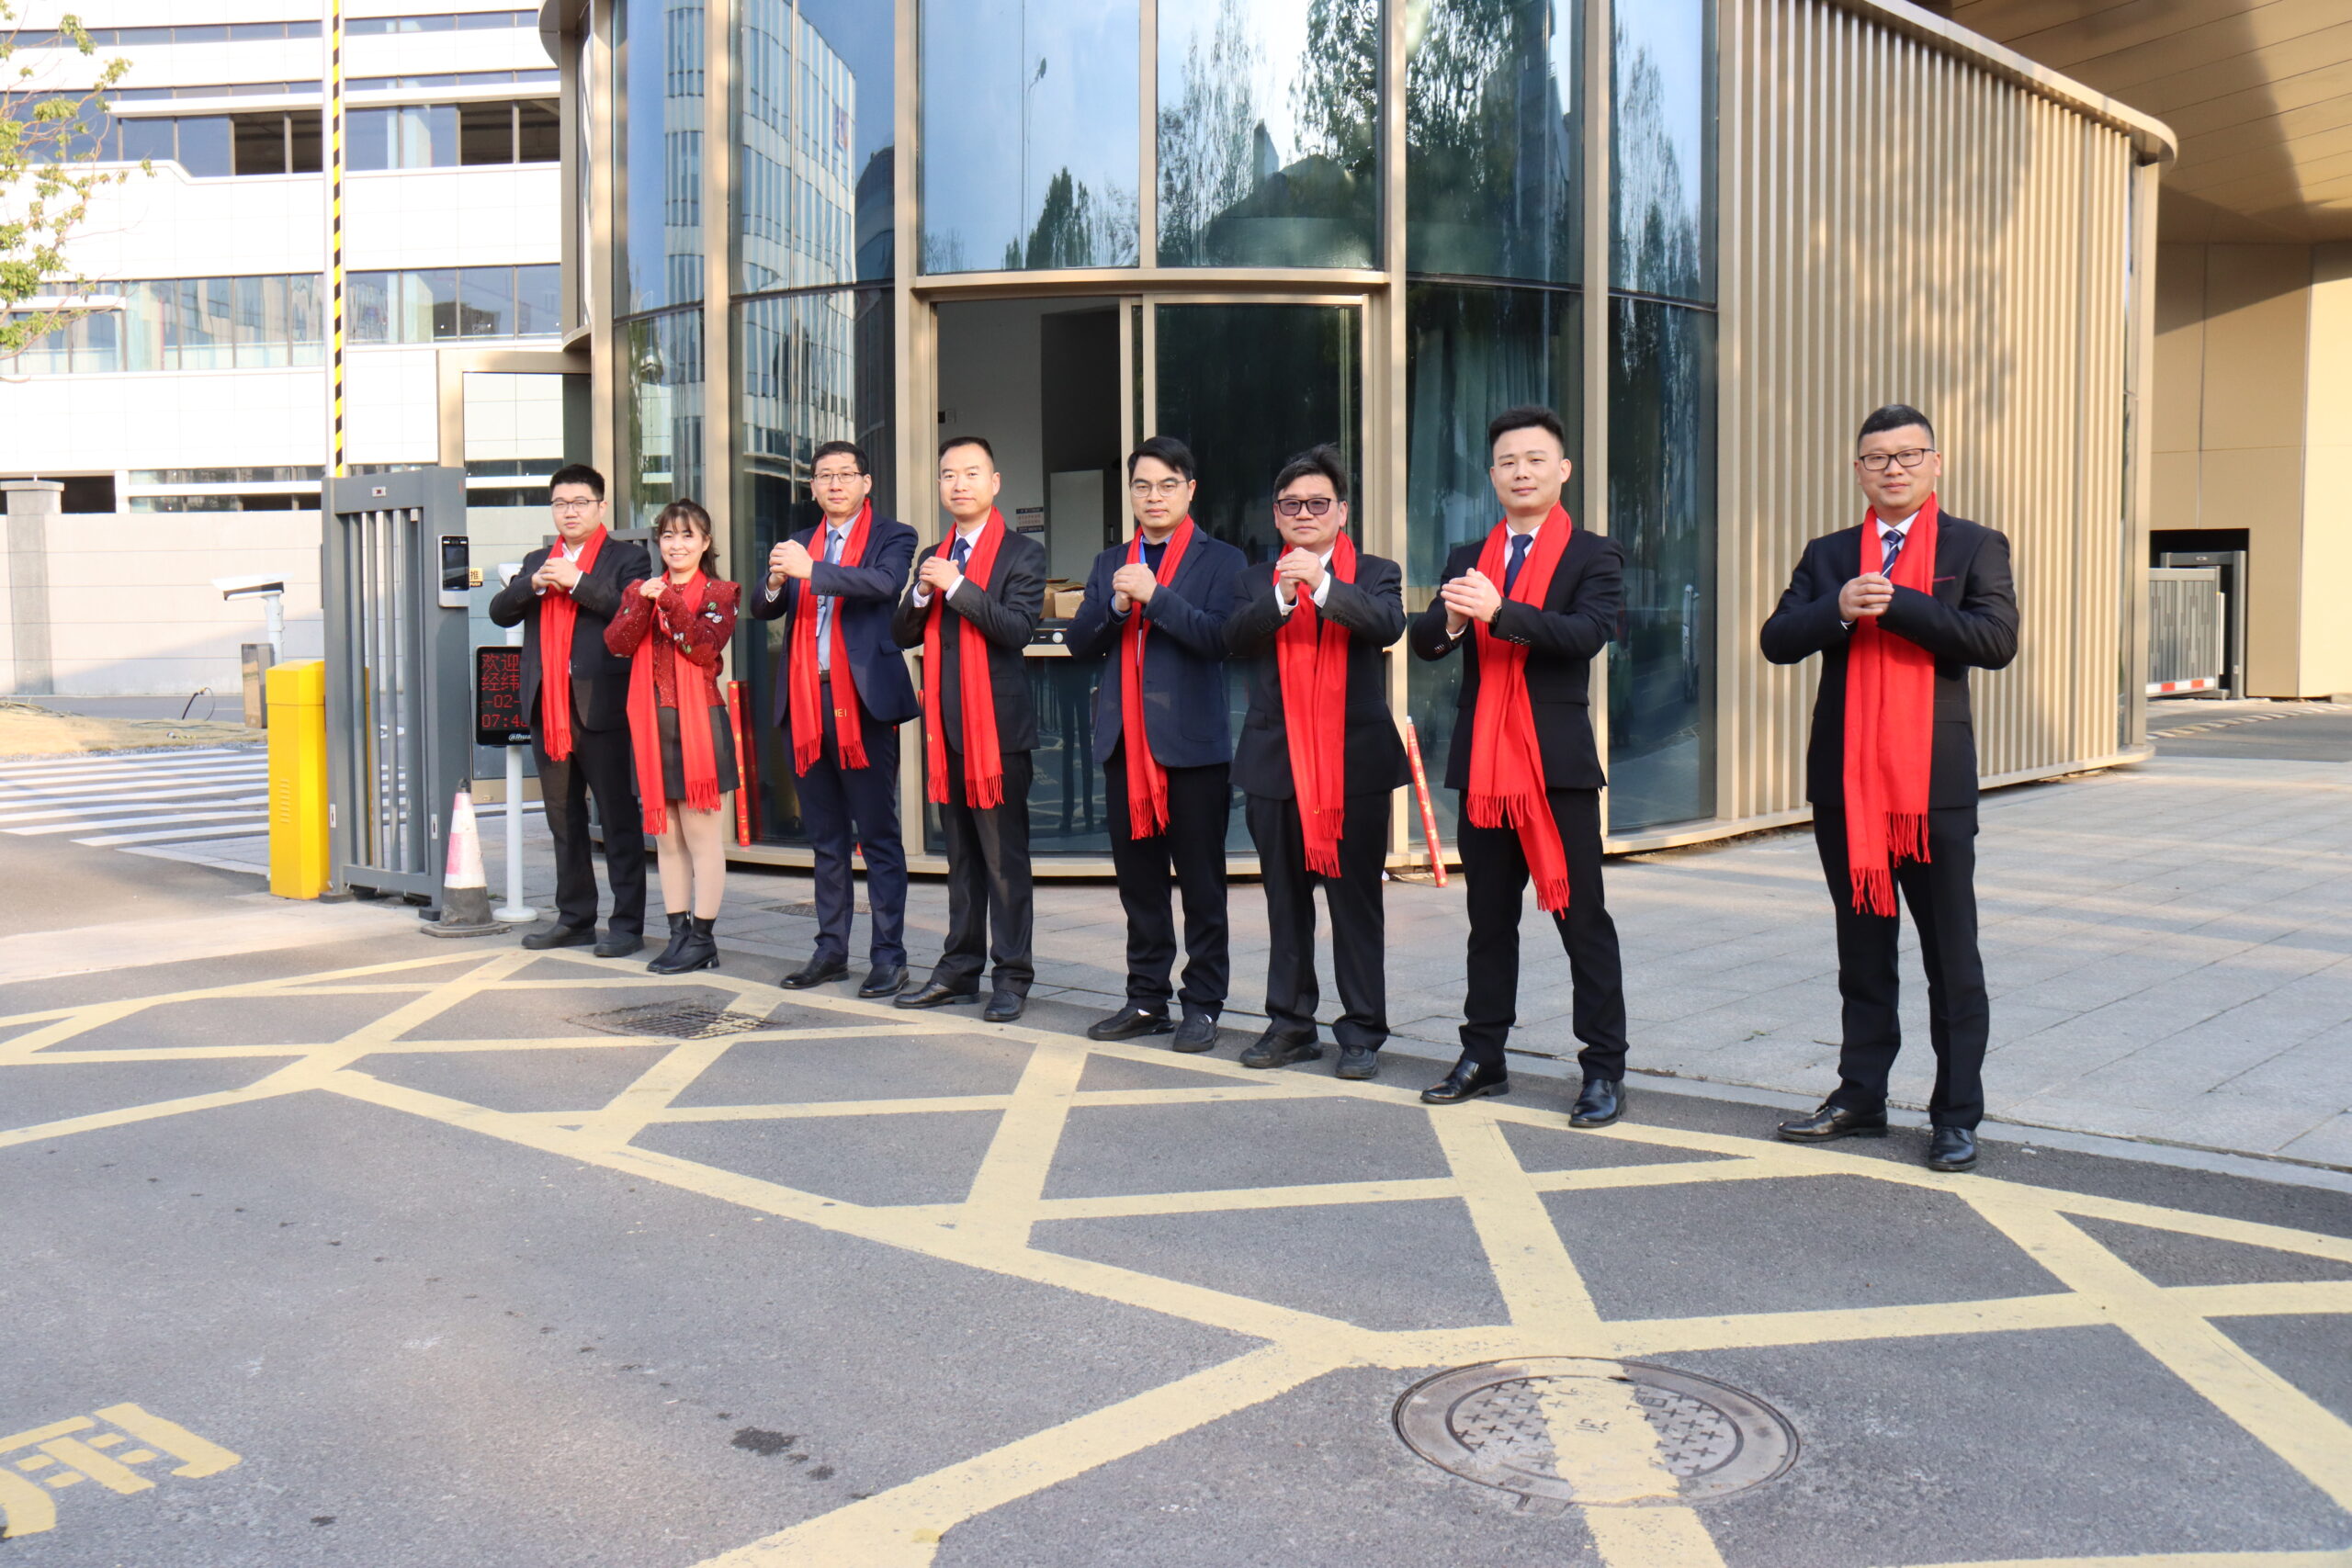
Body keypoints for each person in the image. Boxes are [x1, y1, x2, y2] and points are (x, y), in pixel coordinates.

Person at [1759, 404, 2018, 1173]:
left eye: (1909, 455)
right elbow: (1777, 639)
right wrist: (1837, 610)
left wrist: (1903, 604)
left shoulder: (1975, 545)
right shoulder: (1830, 554)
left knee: (1951, 955)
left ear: (1936, 462)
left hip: (1932, 787)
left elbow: (1995, 640)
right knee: (1863, 951)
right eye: (1878, 457)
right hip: (1848, 786)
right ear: (1858, 471)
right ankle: (1860, 1097)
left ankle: (1956, 1115)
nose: (1894, 468)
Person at [1408, 405, 1631, 1127]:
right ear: (1492, 474)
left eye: (1535, 459)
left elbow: (1585, 634)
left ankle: (1603, 1067)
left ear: (1562, 470)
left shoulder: (1594, 554)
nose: (1521, 471)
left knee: (1582, 919)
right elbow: (1427, 644)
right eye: (1507, 461)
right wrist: (1451, 619)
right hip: (1484, 765)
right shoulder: (1468, 554)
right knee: (1488, 920)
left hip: (1556, 766)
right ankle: (1484, 1056)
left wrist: (1500, 612)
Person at [1224, 446, 1408, 1079]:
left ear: (1342, 512)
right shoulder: (1254, 579)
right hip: (1274, 764)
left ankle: (1361, 1030)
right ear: (1276, 515)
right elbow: (1230, 638)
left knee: (1355, 904)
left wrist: (1323, 587)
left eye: (1318, 503)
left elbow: (1386, 626)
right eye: (1291, 504)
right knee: (1285, 902)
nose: (1304, 513)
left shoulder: (1377, 572)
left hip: (1354, 768)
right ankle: (1290, 1024)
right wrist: (1280, 597)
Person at [1066, 435, 1245, 1052]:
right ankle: (1146, 998)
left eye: (1168, 485)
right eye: (1142, 485)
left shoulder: (1222, 560)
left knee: (1202, 885)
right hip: (1125, 747)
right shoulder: (1109, 562)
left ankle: (1204, 1003)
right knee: (1139, 885)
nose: (1154, 496)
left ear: (1190, 490)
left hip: (1192, 750)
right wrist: (1117, 606)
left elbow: (1221, 639)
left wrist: (1156, 597)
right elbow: (1079, 642)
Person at [749, 440, 919, 998]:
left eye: (847, 474)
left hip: (862, 703)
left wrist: (812, 570)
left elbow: (884, 585)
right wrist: (777, 581)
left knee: (878, 835)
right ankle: (830, 951)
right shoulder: (799, 540)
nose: (836, 484)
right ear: (814, 487)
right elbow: (763, 607)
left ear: (866, 484)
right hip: (804, 700)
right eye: (825, 475)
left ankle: (889, 956)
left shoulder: (894, 535)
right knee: (825, 837)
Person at [889, 435, 1046, 1023]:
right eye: (949, 474)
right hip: (946, 732)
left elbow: (1016, 629)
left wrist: (956, 586)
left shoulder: (1022, 553)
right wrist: (923, 590)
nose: (959, 484)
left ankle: (1012, 976)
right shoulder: (933, 553)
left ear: (994, 482)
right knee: (961, 861)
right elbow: (902, 633)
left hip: (998, 734)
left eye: (971, 472)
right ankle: (958, 969)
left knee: (1004, 862)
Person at [489, 463, 652, 956]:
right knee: (563, 821)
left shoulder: (629, 558)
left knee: (618, 820)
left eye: (580, 502)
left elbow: (631, 614)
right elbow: (500, 612)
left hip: (603, 708)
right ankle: (576, 918)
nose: (570, 512)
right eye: (560, 504)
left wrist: (578, 582)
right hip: (549, 708)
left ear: (601, 506)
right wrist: (534, 584)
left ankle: (627, 926)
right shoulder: (538, 559)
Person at [604, 499, 739, 975]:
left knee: (702, 837)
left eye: (687, 535)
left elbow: (703, 648)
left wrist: (669, 602)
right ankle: (679, 935)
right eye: (667, 535)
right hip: (651, 723)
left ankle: (703, 939)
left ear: (705, 543)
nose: (676, 545)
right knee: (667, 840)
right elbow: (618, 644)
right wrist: (642, 602)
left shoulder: (721, 592)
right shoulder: (639, 589)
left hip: (700, 721)